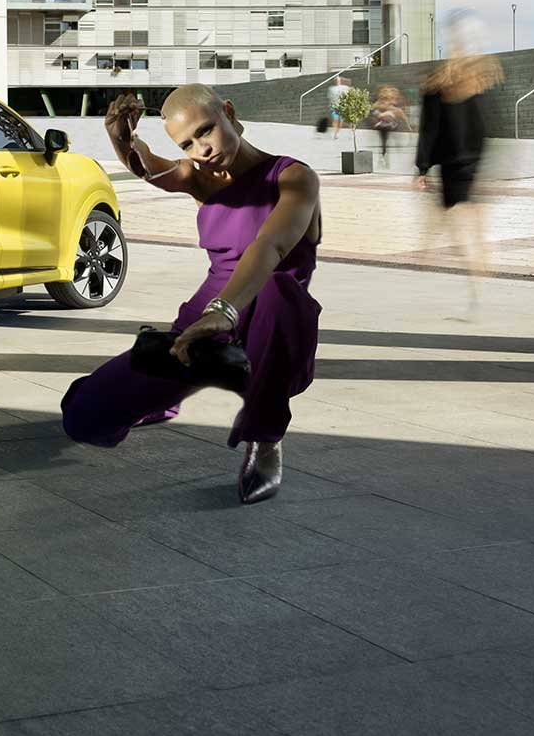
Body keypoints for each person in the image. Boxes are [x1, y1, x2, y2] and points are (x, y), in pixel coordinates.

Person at [60, 85, 322, 504]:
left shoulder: (293, 177)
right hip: (204, 327)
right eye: (187, 143)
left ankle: (265, 437)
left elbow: (268, 248)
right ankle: (177, 392)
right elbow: (150, 169)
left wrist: (225, 311)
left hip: (272, 327)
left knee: (277, 289)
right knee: (83, 418)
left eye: (206, 131)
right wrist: (122, 137)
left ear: (228, 112)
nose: (202, 149)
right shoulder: (200, 177)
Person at [415, 12, 505, 315]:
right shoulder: (483, 79)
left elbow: (429, 130)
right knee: (474, 230)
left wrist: (422, 168)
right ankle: (477, 279)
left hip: (453, 167)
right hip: (473, 165)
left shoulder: (435, 84)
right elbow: (488, 128)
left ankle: (435, 252)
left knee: (453, 222)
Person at [368, 85, 408, 167]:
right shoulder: (381, 102)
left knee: (384, 142)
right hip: (383, 125)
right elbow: (373, 108)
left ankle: (384, 158)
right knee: (384, 142)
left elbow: (398, 110)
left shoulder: (391, 102)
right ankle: (384, 158)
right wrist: (382, 113)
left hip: (389, 124)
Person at [327, 74, 353, 141]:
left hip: (341, 107)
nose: (337, 81)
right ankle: (335, 133)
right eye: (336, 80)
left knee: (340, 121)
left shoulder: (344, 87)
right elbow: (330, 98)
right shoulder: (331, 89)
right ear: (334, 81)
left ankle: (338, 132)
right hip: (334, 107)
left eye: (338, 80)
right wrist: (330, 104)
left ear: (340, 81)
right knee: (335, 120)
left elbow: (350, 86)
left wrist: (346, 80)